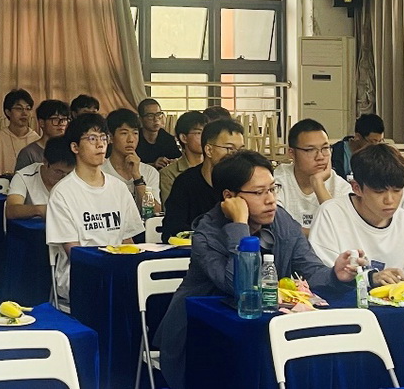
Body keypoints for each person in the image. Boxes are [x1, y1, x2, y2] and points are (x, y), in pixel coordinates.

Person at [154, 150, 359, 389]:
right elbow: (240, 288)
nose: (270, 199)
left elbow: (311, 270)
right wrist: (239, 225)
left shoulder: (281, 220)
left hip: (264, 328)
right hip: (202, 335)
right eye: (259, 192)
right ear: (230, 197)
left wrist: (335, 275)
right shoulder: (206, 233)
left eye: (272, 189)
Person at [46, 113, 144, 304]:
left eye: (103, 138)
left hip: (118, 271)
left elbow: (128, 241)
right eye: (92, 138)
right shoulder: (62, 193)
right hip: (82, 274)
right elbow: (75, 253)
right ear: (75, 147)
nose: (100, 145)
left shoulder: (118, 188)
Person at [310, 143, 404, 281]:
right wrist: (370, 279)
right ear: (356, 188)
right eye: (379, 192)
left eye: (397, 190)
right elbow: (323, 277)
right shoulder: (331, 214)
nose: (389, 200)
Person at [161, 118, 245, 241]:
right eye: (229, 148)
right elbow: (172, 229)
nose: (236, 156)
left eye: (240, 150)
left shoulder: (244, 183)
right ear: (209, 150)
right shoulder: (185, 183)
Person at [273, 117, 352, 234]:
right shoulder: (277, 181)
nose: (320, 157)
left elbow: (343, 231)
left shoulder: (341, 187)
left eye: (325, 148)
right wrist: (323, 235)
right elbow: (277, 228)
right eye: (310, 150)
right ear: (292, 153)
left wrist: (318, 184)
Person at [100, 108, 162, 215]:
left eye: (135, 133)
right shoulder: (101, 172)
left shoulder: (150, 172)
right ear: (110, 137)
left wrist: (137, 177)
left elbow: (154, 212)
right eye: (124, 133)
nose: (131, 139)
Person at [5, 139, 76, 220]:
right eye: (58, 172)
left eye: (68, 173)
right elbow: (11, 210)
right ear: (45, 162)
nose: (64, 178)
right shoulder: (24, 176)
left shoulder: (75, 177)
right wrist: (39, 210)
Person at [0, 88, 39, 177]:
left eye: (28, 109)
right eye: (19, 108)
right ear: (8, 112)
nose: (24, 113)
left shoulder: (36, 140)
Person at [160, 111, 206, 204]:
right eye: (199, 133)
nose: (205, 137)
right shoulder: (169, 173)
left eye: (206, 132)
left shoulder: (215, 168)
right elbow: (170, 207)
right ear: (184, 138)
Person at [15, 99, 70, 170]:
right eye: (55, 119)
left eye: (64, 119)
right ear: (42, 123)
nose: (61, 124)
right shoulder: (29, 153)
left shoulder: (70, 150)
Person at [331, 113, 385, 179]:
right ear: (358, 136)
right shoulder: (336, 153)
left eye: (380, 141)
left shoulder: (380, 155)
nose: (376, 146)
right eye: (372, 142)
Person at [136, 98, 181, 168]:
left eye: (158, 114)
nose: (156, 119)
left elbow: (178, 159)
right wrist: (152, 165)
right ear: (140, 119)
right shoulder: (134, 139)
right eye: (150, 116)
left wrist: (174, 162)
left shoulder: (168, 139)